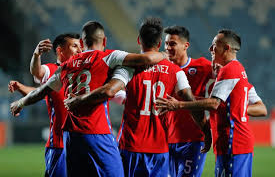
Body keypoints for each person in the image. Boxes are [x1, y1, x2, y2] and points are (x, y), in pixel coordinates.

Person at [10, 20, 168, 177]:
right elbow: (147, 59)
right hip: (97, 131)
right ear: (104, 40)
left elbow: (40, 92)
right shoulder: (108, 56)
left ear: (82, 42)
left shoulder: (66, 65)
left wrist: (20, 102)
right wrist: (164, 54)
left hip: (71, 136)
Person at [64, 17, 211, 177]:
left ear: (139, 40)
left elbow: (108, 90)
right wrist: (206, 131)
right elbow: (191, 103)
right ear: (160, 43)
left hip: (130, 146)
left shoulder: (128, 68)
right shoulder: (176, 71)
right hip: (159, 149)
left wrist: (80, 99)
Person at [156, 29, 267, 177]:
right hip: (221, 142)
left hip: (230, 141)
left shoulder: (226, 69)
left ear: (226, 48)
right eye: (166, 43)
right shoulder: (234, 70)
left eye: (214, 45)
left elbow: (214, 103)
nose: (210, 49)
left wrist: (179, 105)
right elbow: (220, 103)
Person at [9, 33, 82, 177]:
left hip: (82, 145)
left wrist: (22, 89)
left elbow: (43, 93)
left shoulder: (82, 73)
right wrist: (36, 55)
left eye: (80, 46)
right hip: (60, 146)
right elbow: (37, 72)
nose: (80, 50)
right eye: (75, 46)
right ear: (60, 51)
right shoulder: (52, 70)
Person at [164, 25, 213, 177]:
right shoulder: (163, 68)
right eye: (166, 43)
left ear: (186, 46)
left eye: (172, 44)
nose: (167, 47)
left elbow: (227, 81)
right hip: (166, 140)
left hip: (194, 139)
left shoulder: (202, 66)